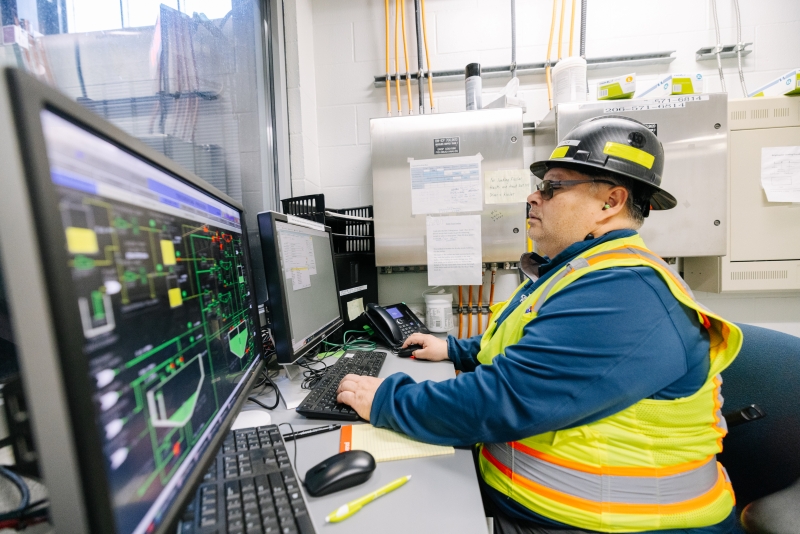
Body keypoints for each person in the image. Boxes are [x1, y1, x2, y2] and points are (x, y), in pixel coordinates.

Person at [337, 116, 742, 533]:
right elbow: (526, 344)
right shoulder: (579, 272)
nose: (533, 196)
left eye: (552, 186)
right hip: (541, 506)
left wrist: (388, 401)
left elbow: (505, 399)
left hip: (612, 525)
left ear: (611, 201)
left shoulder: (623, 292)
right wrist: (455, 350)